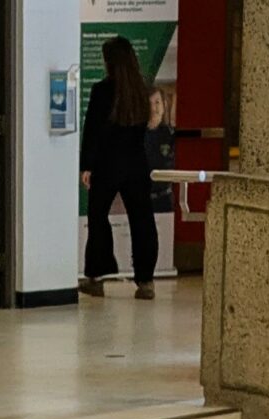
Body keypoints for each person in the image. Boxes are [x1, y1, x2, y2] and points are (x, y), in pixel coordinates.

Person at [78, 35, 156, 299]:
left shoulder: (102, 91)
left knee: (98, 217)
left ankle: (97, 276)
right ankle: (146, 281)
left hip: (107, 164)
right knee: (142, 219)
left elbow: (92, 131)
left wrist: (86, 165)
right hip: (136, 163)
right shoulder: (141, 90)